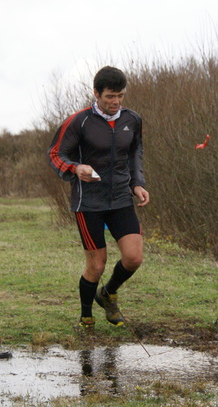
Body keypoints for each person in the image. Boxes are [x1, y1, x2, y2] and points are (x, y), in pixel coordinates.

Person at [48, 66, 149, 329]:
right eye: (109, 96)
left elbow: (135, 154)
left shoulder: (132, 120)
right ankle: (86, 317)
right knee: (97, 265)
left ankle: (107, 294)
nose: (115, 102)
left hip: (120, 199)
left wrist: (137, 184)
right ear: (96, 94)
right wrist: (75, 168)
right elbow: (56, 154)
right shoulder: (79, 121)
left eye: (120, 96)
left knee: (134, 258)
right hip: (89, 203)